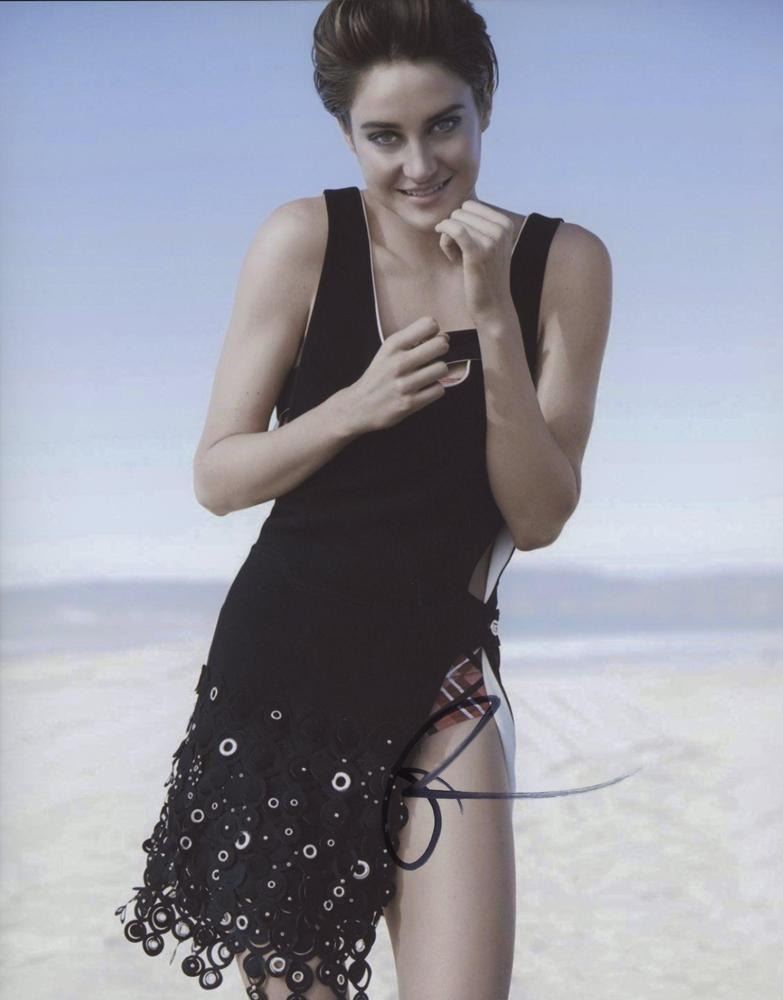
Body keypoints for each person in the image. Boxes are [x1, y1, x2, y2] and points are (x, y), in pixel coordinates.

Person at [114, 1, 612, 998]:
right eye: (385, 136)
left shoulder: (565, 265)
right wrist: (352, 408)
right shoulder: (302, 240)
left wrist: (492, 318)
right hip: (284, 684)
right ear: (347, 134)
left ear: (484, 109)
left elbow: (538, 516)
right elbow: (218, 476)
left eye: (444, 125)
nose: (419, 164)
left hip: (444, 684)